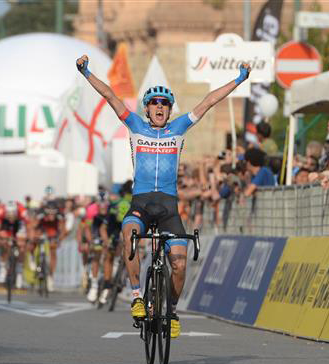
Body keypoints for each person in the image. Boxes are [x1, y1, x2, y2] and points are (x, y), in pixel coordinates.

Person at [76, 54, 251, 338]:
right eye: (155, 103)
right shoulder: (135, 126)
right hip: (141, 204)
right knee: (129, 233)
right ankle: (136, 296)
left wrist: (240, 79)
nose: (160, 107)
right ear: (147, 109)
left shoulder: (179, 128)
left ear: (170, 110)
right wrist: (86, 72)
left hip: (169, 207)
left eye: (164, 104)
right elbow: (109, 95)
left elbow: (208, 101)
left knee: (180, 265)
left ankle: (170, 309)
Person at [0, 200, 29, 289]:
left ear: (16, 212)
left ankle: (19, 275)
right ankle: (2, 270)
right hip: (5, 225)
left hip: (19, 224)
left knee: (21, 245)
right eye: (9, 215)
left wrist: (26, 239)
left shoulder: (22, 211)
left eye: (12, 215)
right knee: (3, 243)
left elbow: (28, 225)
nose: (11, 218)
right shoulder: (1, 212)